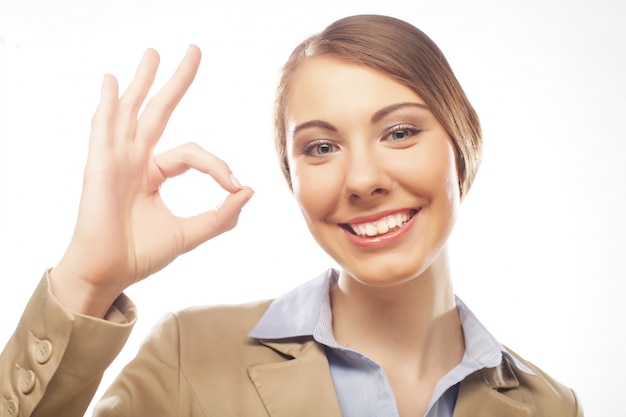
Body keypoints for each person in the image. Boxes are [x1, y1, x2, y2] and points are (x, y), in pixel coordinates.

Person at [0, 14, 582, 417]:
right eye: (321, 147)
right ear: (292, 178)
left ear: (462, 146)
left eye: (400, 132)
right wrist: (86, 280)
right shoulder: (189, 356)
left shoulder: (552, 407)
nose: (362, 180)